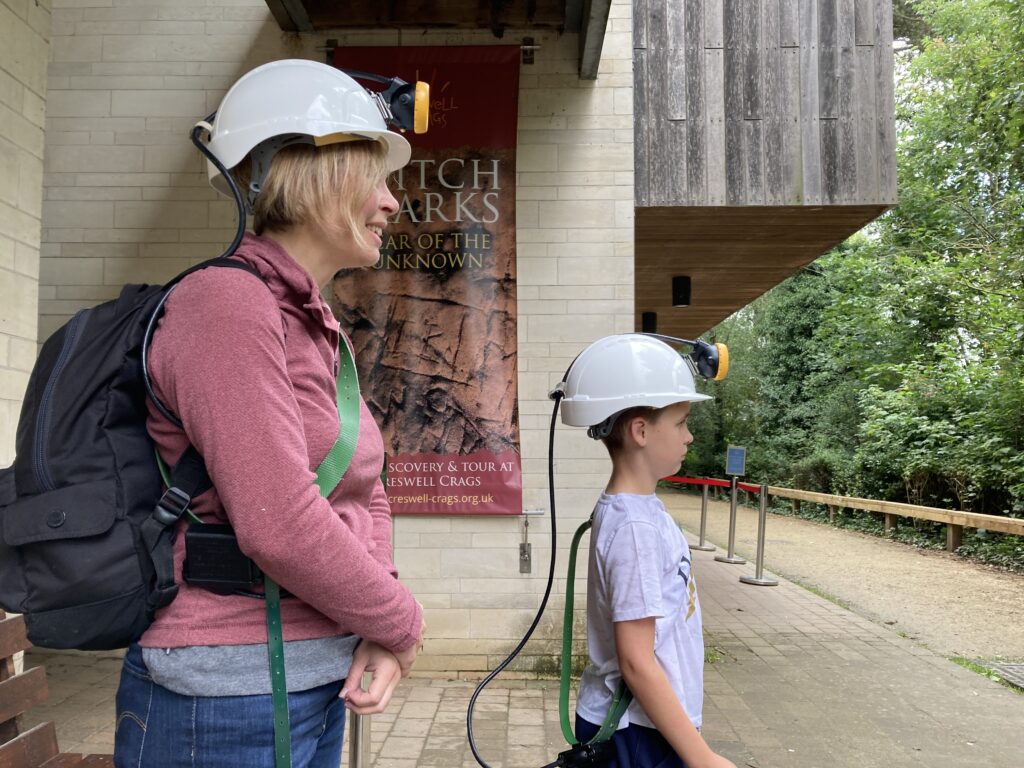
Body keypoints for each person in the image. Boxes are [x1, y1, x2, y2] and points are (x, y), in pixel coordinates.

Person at [113, 60, 424, 768]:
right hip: (224, 700)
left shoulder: (312, 319)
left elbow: (365, 487)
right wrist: (402, 625)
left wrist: (373, 622)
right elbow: (279, 524)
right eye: (375, 177)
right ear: (315, 176)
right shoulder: (226, 305)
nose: (390, 203)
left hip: (316, 678)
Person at [559, 334, 736, 768]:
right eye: (680, 423)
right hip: (636, 732)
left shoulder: (638, 512)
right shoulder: (634, 527)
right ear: (640, 430)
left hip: (647, 725)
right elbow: (636, 661)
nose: (689, 436)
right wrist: (702, 758)